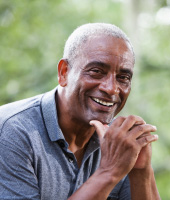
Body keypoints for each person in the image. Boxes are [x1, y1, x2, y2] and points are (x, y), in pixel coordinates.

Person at [0, 23, 161, 200]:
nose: (112, 89)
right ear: (64, 73)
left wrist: (140, 170)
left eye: (123, 78)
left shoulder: (118, 142)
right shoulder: (12, 130)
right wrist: (109, 172)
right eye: (96, 72)